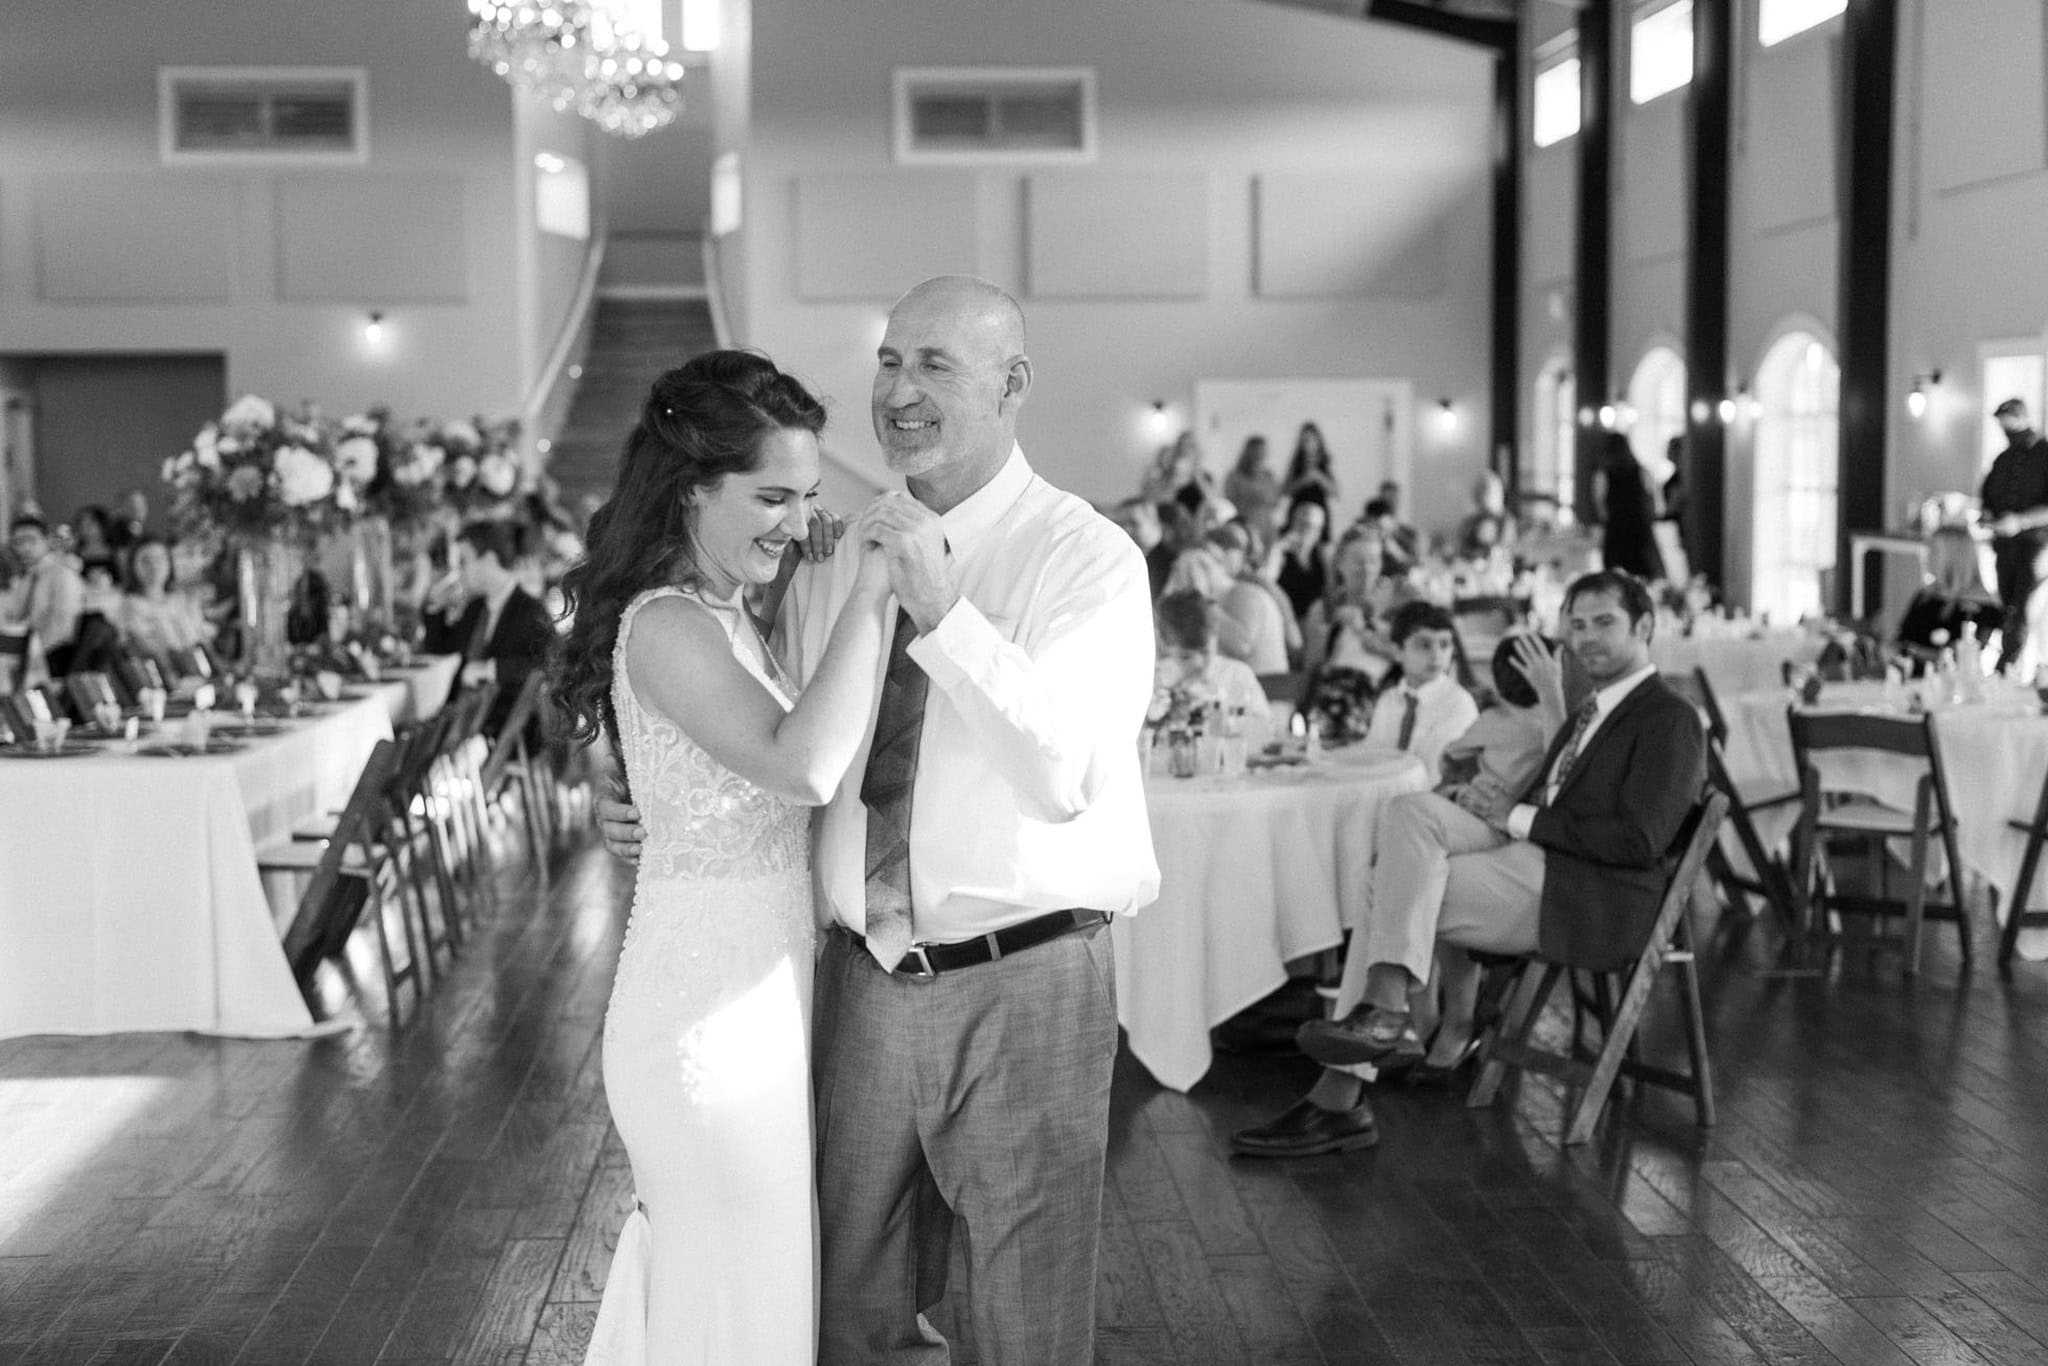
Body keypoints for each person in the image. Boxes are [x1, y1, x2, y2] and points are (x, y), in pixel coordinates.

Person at [599, 276, 1160, 1364]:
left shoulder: (1084, 559)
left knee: (1022, 1320)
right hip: (855, 980)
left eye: (935, 365)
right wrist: (635, 794)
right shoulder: (830, 555)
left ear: (1012, 384)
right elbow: (728, 705)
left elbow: (1065, 776)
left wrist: (944, 612)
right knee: (845, 1307)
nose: (899, 389)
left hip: (1023, 977)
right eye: (890, 361)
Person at [553, 351, 892, 1364]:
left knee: (753, 1284)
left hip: (755, 998)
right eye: (771, 495)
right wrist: (876, 583)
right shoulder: (665, 623)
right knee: (735, 1287)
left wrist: (802, 552)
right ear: (689, 486)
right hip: (702, 1021)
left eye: (807, 497)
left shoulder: (725, 615)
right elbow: (802, 765)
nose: (795, 521)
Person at [1231, 570, 1705, 1157]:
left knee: (1387, 889)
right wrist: (1485, 802)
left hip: (1584, 891)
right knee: (1412, 811)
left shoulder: (1668, 718)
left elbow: (1638, 839)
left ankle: (1348, 1080)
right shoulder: (1595, 710)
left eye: (1604, 623)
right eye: (1576, 625)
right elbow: (1559, 796)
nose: (1587, 638)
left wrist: (1516, 816)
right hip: (1535, 856)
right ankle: (1381, 1018)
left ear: (1645, 627)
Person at [425, 520, 556, 741]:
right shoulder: (476, 608)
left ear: (488, 560)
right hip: (463, 722)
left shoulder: (531, 610)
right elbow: (439, 647)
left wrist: (491, 669)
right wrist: (435, 607)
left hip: (504, 731)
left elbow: (552, 664)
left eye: (464, 562)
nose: (459, 572)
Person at [1356, 600, 1478, 782]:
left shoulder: (1458, 705)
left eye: (1444, 645)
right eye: (1424, 645)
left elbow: (1433, 775)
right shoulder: (1389, 700)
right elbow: (1371, 758)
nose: (1436, 655)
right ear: (1398, 651)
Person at [1152, 588, 1276, 753]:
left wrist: (1230, 723)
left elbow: (1266, 731)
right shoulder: (1157, 679)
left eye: (1205, 652)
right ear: (1164, 647)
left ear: (1216, 636)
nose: (1199, 663)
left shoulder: (1237, 675)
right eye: (1185, 657)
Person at [1980, 398, 2048, 670]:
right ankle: (2011, 666)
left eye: (2007, 421)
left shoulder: (2044, 454)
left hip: (2035, 544)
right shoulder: (2003, 459)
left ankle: (2005, 668)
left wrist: (2021, 521)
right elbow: (1987, 496)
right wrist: (1988, 515)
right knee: (2007, 604)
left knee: (2021, 608)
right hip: (2003, 546)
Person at [1890, 524, 2000, 670]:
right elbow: (1901, 639)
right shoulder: (1926, 596)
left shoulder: (1982, 605)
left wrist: (1912, 651)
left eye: (1934, 551)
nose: (1927, 557)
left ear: (1953, 557)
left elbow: (1962, 656)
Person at [114, 535, 213, 674]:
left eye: (159, 559)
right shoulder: (130, 606)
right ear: (133, 566)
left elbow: (202, 640)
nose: (154, 566)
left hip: (201, 673)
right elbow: (147, 651)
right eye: (145, 561)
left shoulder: (181, 600)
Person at [3, 513, 85, 675]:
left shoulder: (63, 575)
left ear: (46, 540)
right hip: (25, 654)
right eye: (18, 542)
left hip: (55, 659)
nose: (24, 548)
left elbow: (64, 629)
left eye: (31, 540)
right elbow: (16, 618)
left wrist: (30, 655)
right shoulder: (26, 578)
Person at [1596, 433, 1663, 581]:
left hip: (1615, 533)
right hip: (1637, 531)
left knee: (1615, 579)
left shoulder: (1604, 474)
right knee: (1639, 578)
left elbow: (1601, 508)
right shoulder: (1641, 472)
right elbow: (1651, 502)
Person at [1266, 498, 1329, 622]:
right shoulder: (1280, 552)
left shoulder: (1321, 557)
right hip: (1283, 619)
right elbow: (1267, 582)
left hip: (1311, 623)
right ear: (1292, 523)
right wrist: (1277, 550)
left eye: (1314, 527)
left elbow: (1327, 592)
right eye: (1303, 524)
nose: (1307, 531)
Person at [1109, 495, 1175, 600]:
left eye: (1133, 523)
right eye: (1119, 524)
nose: (1125, 529)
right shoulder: (1122, 562)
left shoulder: (1174, 562)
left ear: (1154, 523)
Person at [1223, 435, 1282, 548]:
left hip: (1266, 525)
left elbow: (1275, 501)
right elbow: (1229, 501)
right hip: (1244, 524)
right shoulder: (1235, 476)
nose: (1261, 454)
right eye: (1257, 451)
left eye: (1263, 451)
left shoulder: (1269, 476)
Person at [1454, 470, 1516, 560]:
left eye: (1483, 491)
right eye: (1479, 491)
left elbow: (1507, 549)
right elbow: (1461, 548)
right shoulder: (1471, 521)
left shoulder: (1505, 521)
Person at [1283, 421, 1337, 512]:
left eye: (1310, 439)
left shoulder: (1325, 462)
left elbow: (1335, 492)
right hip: (1299, 510)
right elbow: (1285, 491)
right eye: (1304, 440)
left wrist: (1318, 477)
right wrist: (1303, 480)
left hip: (1319, 511)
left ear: (1318, 441)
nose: (1307, 444)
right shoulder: (1296, 462)